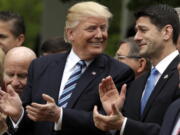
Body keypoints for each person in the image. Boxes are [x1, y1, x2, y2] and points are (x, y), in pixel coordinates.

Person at [0, 1, 134, 135]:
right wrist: (18, 114)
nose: (100, 35)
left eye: (103, 28)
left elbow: (108, 122)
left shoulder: (118, 72)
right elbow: (30, 122)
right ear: (70, 34)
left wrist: (60, 115)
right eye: (92, 28)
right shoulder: (41, 66)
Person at [93, 4, 180, 135]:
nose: (136, 37)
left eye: (143, 30)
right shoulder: (136, 84)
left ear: (166, 32)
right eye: (136, 31)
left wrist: (123, 124)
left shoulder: (178, 75)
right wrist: (114, 113)